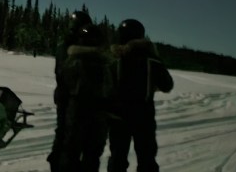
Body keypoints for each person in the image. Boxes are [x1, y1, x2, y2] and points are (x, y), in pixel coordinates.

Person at [108, 19, 173, 172]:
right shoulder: (152, 59)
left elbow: (104, 88)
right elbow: (167, 85)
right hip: (144, 117)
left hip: (118, 117)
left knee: (117, 160)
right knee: (146, 159)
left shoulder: (113, 59)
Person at [55, 22, 113, 172]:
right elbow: (111, 90)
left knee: (71, 154)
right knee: (91, 157)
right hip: (98, 116)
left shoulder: (72, 62)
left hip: (76, 114)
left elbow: (63, 86)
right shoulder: (106, 65)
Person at [47, 10, 92, 172]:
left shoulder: (65, 44)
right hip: (74, 96)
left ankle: (58, 161)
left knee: (63, 131)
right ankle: (63, 163)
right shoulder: (74, 46)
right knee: (72, 134)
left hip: (65, 94)